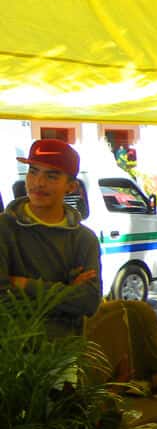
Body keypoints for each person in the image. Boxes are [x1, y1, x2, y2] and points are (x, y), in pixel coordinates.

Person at [0, 139, 101, 336]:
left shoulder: (84, 239)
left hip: (65, 356)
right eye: (33, 172)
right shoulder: (4, 229)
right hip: (10, 359)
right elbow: (3, 305)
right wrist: (66, 292)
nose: (38, 183)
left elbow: (89, 302)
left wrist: (24, 285)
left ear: (71, 186)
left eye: (52, 176)